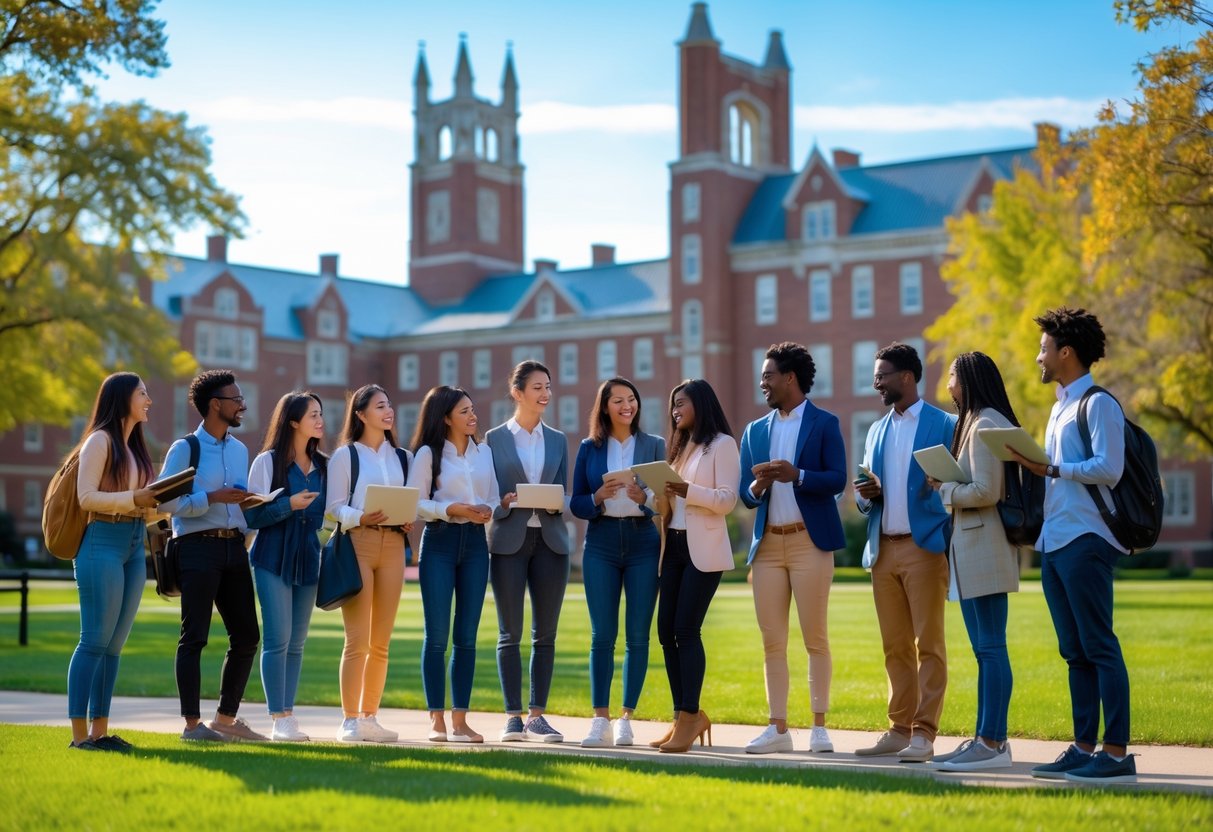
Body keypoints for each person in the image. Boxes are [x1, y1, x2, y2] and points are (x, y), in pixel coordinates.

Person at [1010, 307, 1135, 784]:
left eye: (1043, 348)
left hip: (1088, 539)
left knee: (1100, 644)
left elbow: (1110, 468)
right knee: (1074, 650)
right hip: (1056, 542)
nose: (1037, 356)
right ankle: (1084, 747)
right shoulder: (1059, 406)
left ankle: (1117, 752)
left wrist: (1053, 469)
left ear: (1066, 352)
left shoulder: (1098, 404)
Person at [738, 343, 846, 755]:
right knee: (772, 642)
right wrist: (759, 485)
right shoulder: (754, 430)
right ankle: (777, 727)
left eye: (768, 376)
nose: (762, 382)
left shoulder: (825, 423)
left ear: (790, 378)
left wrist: (796, 474)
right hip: (767, 546)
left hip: (809, 543)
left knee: (815, 638)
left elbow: (836, 479)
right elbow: (746, 498)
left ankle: (819, 726)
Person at [854, 343, 956, 762]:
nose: (876, 382)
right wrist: (866, 495)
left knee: (928, 642)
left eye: (883, 375)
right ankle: (899, 728)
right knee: (894, 645)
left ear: (908, 377)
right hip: (883, 548)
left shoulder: (943, 424)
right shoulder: (876, 429)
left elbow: (957, 483)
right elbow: (862, 496)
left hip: (924, 546)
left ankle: (924, 733)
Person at [925, 353, 1021, 771]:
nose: (946, 383)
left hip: (985, 548)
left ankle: (994, 742)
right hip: (971, 550)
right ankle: (986, 738)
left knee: (991, 648)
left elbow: (986, 490)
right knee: (984, 650)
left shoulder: (985, 424)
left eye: (951, 375)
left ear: (969, 379)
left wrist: (944, 489)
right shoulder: (975, 422)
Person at [159, 369, 266, 742]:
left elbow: (239, 502)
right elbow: (167, 502)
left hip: (234, 547)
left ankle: (225, 719)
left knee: (248, 636)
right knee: (195, 637)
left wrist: (252, 509)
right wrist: (213, 498)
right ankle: (192, 725)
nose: (243, 405)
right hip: (196, 548)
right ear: (216, 405)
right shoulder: (184, 448)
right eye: (237, 399)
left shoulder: (240, 450)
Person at [66, 372, 160, 751]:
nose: (149, 399)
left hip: (134, 546)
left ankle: (100, 733)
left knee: (115, 645)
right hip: (101, 542)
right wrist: (134, 498)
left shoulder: (135, 446)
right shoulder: (100, 441)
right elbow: (86, 497)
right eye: (143, 393)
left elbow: (139, 503)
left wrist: (158, 505)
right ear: (123, 399)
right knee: (94, 641)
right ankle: (78, 737)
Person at [570, 377, 665, 748]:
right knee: (602, 636)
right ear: (605, 407)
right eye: (618, 400)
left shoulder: (654, 445)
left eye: (631, 399)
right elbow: (576, 503)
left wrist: (645, 497)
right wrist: (597, 495)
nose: (627, 406)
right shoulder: (589, 448)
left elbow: (666, 502)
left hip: (643, 540)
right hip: (602, 543)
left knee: (638, 636)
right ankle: (600, 719)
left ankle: (626, 717)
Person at [484, 360, 571, 743]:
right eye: (537, 387)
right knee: (509, 633)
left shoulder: (558, 439)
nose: (545, 393)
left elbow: (564, 492)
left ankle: (538, 716)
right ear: (517, 392)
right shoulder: (493, 439)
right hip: (508, 541)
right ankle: (513, 717)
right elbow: (488, 497)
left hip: (551, 542)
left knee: (545, 634)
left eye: (548, 386)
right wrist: (503, 503)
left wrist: (557, 503)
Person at [407, 386, 500, 744]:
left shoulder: (484, 452)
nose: (472, 416)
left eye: (472, 409)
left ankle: (460, 720)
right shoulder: (428, 454)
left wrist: (491, 508)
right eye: (464, 411)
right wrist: (453, 509)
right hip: (440, 542)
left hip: (476, 544)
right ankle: (437, 720)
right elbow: (417, 504)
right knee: (437, 637)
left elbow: (491, 496)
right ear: (445, 417)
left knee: (466, 638)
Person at [652, 378, 739, 754]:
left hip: (703, 548)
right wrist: (655, 493)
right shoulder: (680, 449)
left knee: (686, 630)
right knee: (665, 631)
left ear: (700, 404)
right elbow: (672, 505)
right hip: (672, 543)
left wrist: (688, 491)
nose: (675, 411)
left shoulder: (722, 445)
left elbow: (727, 500)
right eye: (673, 405)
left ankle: (691, 716)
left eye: (681, 403)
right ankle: (682, 716)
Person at [326, 384, 413, 743]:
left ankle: (371, 717)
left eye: (389, 404)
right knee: (357, 639)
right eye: (380, 406)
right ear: (360, 414)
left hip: (394, 547)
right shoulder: (347, 456)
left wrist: (407, 518)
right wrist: (361, 517)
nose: (388, 411)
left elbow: (412, 500)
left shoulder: (403, 457)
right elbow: (333, 508)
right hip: (358, 544)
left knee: (381, 641)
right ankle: (350, 719)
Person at [242, 392, 327, 742]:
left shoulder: (324, 464)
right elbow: (252, 514)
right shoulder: (267, 462)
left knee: (298, 642)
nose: (321, 421)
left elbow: (324, 515)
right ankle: (280, 718)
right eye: (313, 415)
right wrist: (288, 505)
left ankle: (288, 714)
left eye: (321, 414)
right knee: (278, 639)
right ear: (293, 421)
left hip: (308, 557)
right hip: (271, 557)